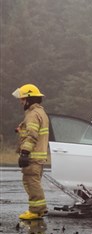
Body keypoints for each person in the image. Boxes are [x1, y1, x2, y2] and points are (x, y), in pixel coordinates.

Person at [13, 84, 49, 220]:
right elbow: (33, 131)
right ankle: (37, 210)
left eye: (22, 99)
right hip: (38, 156)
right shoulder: (40, 112)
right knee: (33, 182)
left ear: (29, 99)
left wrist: (24, 153)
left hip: (32, 156)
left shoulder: (33, 114)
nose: (20, 102)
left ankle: (36, 210)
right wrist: (21, 130)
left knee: (31, 183)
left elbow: (32, 136)